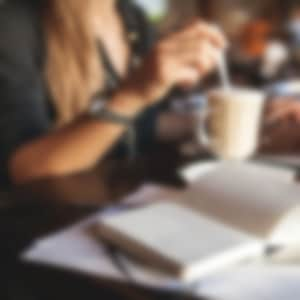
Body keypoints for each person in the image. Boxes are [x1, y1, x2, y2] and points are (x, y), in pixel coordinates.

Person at [0, 0, 226, 186]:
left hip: (122, 213)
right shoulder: (13, 25)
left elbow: (138, 126)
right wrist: (132, 95)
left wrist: (214, 121)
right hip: (45, 227)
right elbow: (27, 170)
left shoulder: (133, 19)